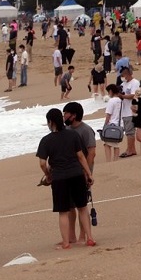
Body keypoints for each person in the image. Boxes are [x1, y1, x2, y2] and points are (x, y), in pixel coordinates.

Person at [36, 108, 95, 250]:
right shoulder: (72, 135)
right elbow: (81, 156)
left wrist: (48, 175)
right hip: (76, 174)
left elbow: (42, 163)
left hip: (59, 178)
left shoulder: (46, 140)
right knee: (82, 207)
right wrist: (88, 174)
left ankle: (66, 243)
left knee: (63, 211)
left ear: (50, 122)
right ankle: (90, 238)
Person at [62, 102, 97, 245]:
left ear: (74, 115)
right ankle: (71, 236)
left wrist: (86, 172)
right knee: (70, 206)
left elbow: (92, 153)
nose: (64, 116)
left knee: (81, 204)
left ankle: (83, 235)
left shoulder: (86, 130)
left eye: (66, 113)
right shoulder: (66, 129)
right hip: (69, 172)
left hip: (83, 173)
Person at [118, 67, 139, 158]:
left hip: (131, 111)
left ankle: (129, 150)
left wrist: (122, 96)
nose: (122, 77)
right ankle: (131, 149)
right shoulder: (123, 84)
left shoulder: (135, 83)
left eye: (123, 75)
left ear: (128, 74)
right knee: (128, 132)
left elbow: (134, 95)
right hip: (124, 111)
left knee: (130, 132)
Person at [103, 84, 123, 162]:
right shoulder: (120, 100)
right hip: (120, 125)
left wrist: (105, 125)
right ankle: (115, 160)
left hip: (112, 125)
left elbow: (108, 114)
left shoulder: (111, 101)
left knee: (107, 144)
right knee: (116, 144)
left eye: (108, 92)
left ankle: (109, 162)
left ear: (111, 91)